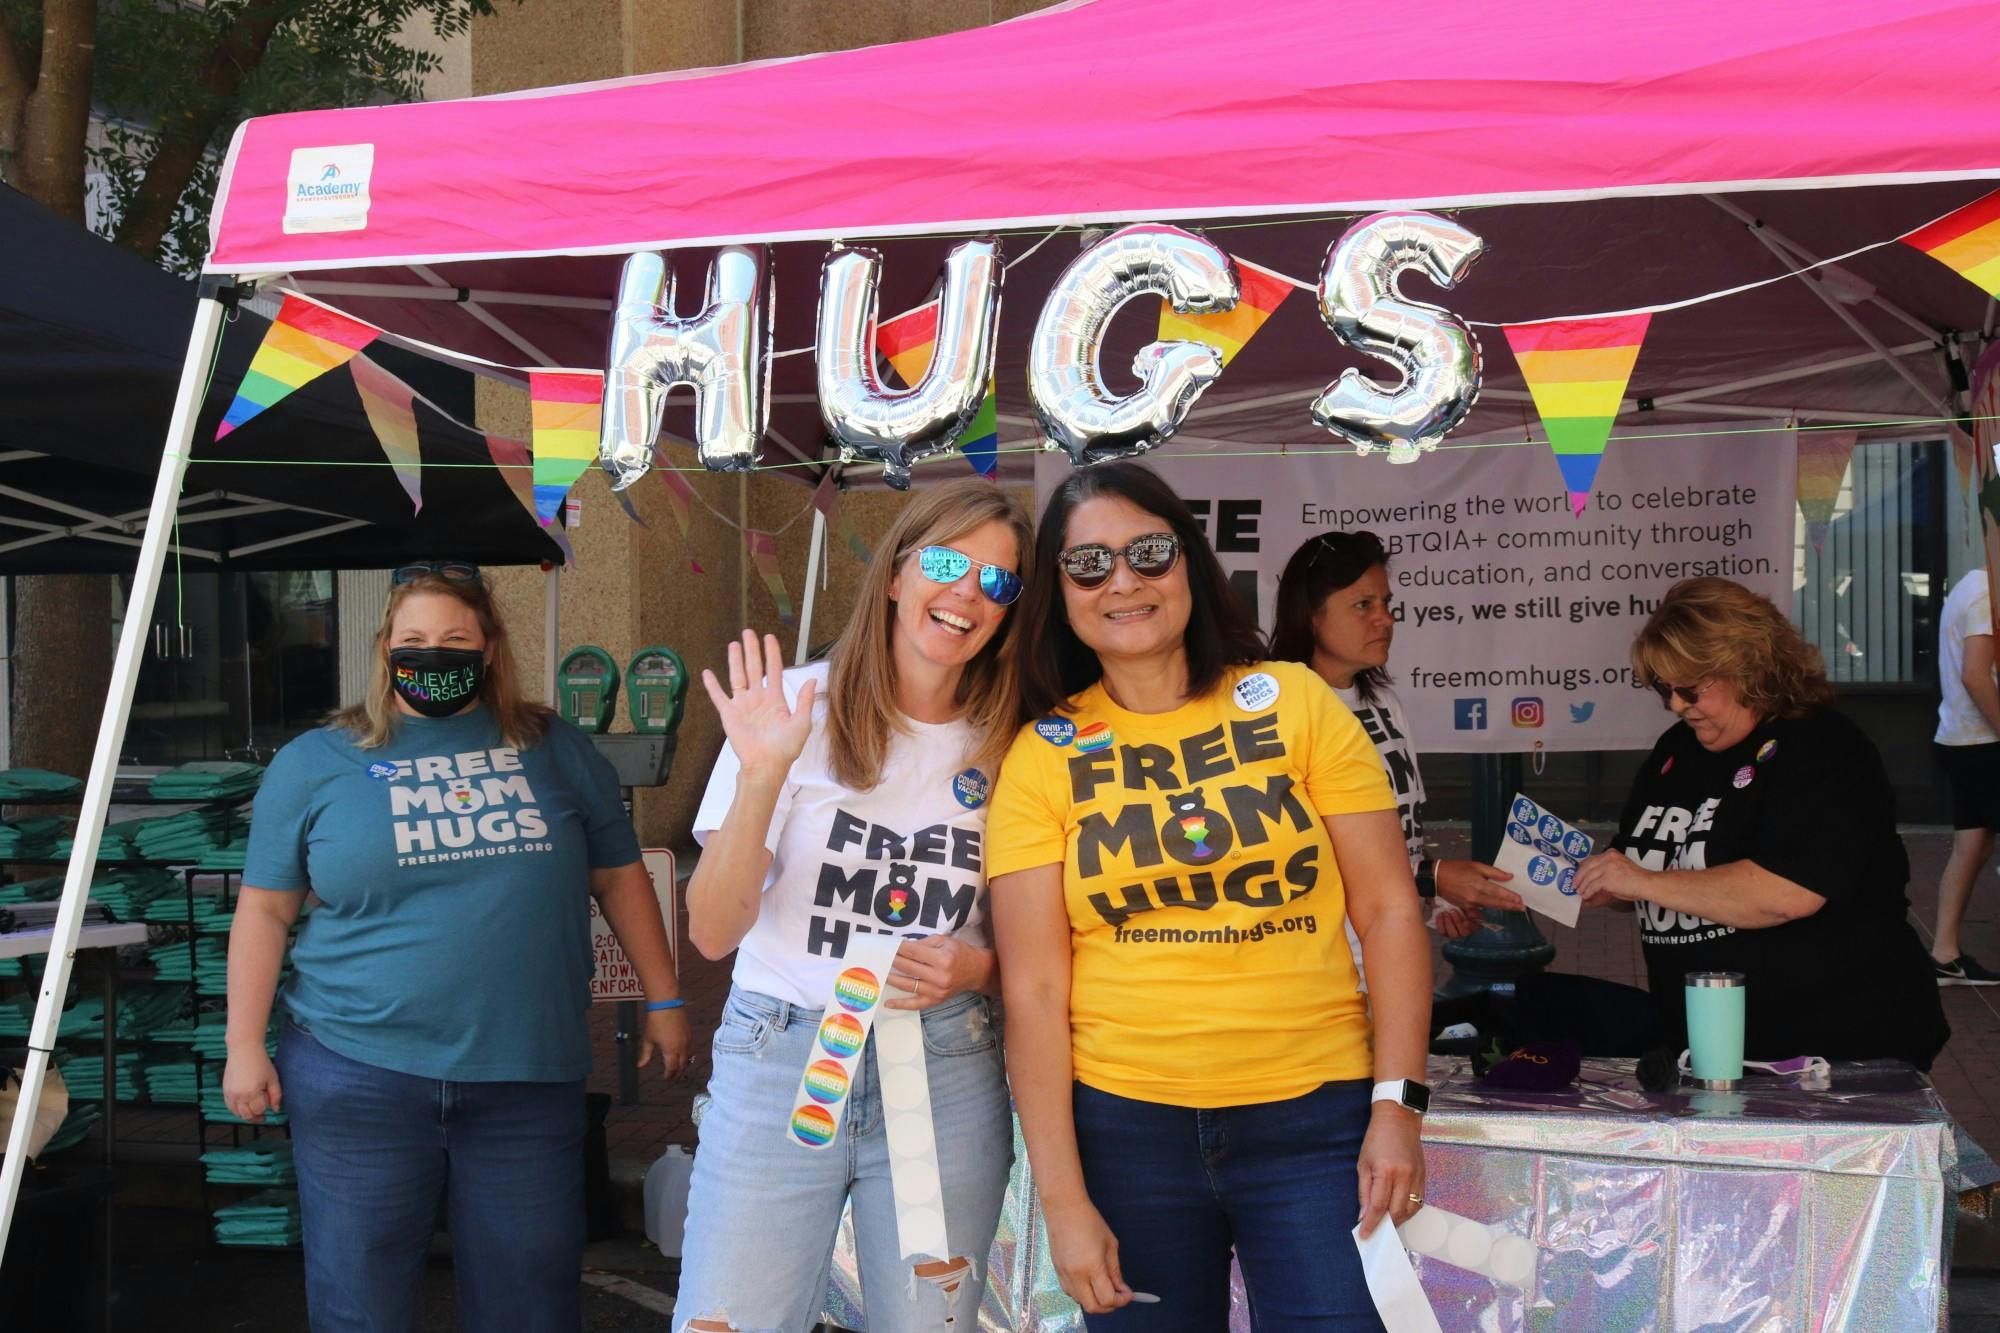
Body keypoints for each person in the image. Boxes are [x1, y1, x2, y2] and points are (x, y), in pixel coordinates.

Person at [987, 462, 1430, 1330]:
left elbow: (1388, 911)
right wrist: (1065, 1199)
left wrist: (1397, 1105)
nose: (1123, 580)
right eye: (1089, 564)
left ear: (1189, 561)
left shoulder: (1297, 701)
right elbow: (1035, 989)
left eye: (1149, 552)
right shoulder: (1043, 752)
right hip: (1126, 1134)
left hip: (1314, 1123)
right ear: (1061, 593)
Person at [224, 561, 689, 1332]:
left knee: (530, 1304)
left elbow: (621, 877)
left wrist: (666, 996)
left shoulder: (555, 747)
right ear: (385, 649)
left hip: (525, 1078)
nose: (430, 653)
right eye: (412, 639)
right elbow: (265, 911)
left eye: (452, 638)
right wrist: (244, 1042)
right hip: (356, 1071)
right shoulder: (316, 761)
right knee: (359, 1304)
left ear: (489, 648)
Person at [675, 478, 1031, 1333]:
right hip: (783, 1053)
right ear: (900, 573)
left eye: (997, 582)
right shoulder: (794, 708)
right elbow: (713, 930)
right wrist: (762, 774)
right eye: (948, 563)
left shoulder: (1017, 738)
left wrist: (977, 966)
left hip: (943, 1063)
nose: (967, 594)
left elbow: (1047, 939)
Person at [1575, 576, 1948, 1068]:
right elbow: (1644, 870)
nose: (1676, 705)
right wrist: (1611, 885)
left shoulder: (1822, 748)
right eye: (1663, 689)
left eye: (1689, 688)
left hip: (1833, 1049)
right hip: (1713, 1045)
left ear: (1747, 667)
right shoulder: (1676, 751)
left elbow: (1788, 892)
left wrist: (1642, 880)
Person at [1271, 529, 1524, 942]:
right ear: (1310, 616)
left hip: (1387, 949)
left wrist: (1435, 896)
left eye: (1386, 603)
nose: (1385, 619)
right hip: (1321, 961)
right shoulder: (1278, 711)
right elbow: (1304, 851)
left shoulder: (1382, 700)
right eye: (1363, 605)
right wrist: (1433, 878)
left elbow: (1399, 830)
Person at [1931, 566, 2000, 985]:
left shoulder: (1971, 583)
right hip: (1982, 741)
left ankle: (1944, 951)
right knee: (1974, 846)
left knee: (1972, 845)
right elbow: (1976, 674)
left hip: (1962, 738)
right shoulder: (1985, 593)